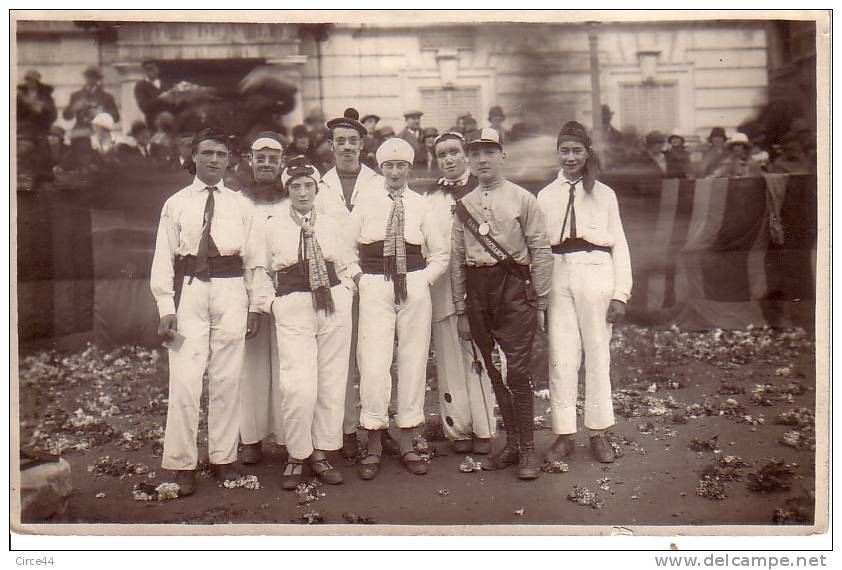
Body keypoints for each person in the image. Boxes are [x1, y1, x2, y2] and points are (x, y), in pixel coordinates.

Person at [150, 127, 257, 496]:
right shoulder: (176, 203)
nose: (214, 160)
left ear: (230, 161)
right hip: (190, 293)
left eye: (221, 154)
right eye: (207, 153)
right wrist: (166, 306)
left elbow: (254, 259)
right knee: (185, 381)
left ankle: (223, 457)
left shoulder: (242, 204)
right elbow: (164, 258)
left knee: (227, 380)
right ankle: (182, 463)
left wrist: (254, 305)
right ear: (193, 157)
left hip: (231, 293)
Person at [248, 156, 357, 489]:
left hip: (332, 304)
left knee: (330, 381)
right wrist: (271, 304)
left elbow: (347, 264)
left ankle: (322, 453)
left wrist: (347, 292)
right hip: (293, 305)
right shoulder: (272, 224)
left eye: (308, 186)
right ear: (287, 190)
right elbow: (261, 270)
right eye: (295, 187)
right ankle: (297, 453)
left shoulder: (331, 223)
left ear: (316, 189)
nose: (302, 192)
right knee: (298, 385)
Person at [450, 128, 553, 480]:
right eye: (475, 153)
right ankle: (511, 444)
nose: (481, 159)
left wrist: (540, 300)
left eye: (488, 152)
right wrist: (462, 308)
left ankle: (528, 450)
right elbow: (458, 257)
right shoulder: (464, 206)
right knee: (494, 370)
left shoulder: (524, 199)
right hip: (479, 292)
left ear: (502, 156)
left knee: (518, 371)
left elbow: (540, 249)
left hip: (513, 288)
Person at [348, 137, 449, 480]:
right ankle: (374, 441)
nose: (394, 172)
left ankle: (407, 438)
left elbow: (440, 253)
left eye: (401, 166)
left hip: (414, 288)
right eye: (389, 166)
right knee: (374, 363)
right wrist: (361, 278)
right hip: (376, 285)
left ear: (409, 168)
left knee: (413, 359)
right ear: (381, 168)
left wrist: (423, 280)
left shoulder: (421, 205)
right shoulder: (365, 202)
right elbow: (346, 250)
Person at [537, 121, 632, 465]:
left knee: (597, 354)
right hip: (558, 275)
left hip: (596, 273)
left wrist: (620, 293)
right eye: (565, 150)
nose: (571, 157)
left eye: (577, 150)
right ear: (558, 153)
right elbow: (539, 249)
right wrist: (540, 294)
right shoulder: (546, 196)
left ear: (587, 152)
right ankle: (564, 433)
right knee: (562, 357)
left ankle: (598, 431)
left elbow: (619, 243)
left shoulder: (604, 194)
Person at [314, 108, 386, 460]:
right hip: (336, 283)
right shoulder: (319, 185)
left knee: (376, 355)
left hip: (373, 278)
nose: (346, 147)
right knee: (338, 358)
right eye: (340, 141)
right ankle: (342, 430)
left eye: (353, 141)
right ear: (330, 146)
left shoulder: (378, 181)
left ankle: (378, 426)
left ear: (362, 145)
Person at [425, 131, 497, 455]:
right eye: (442, 155)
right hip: (442, 287)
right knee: (450, 356)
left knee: (480, 355)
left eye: (454, 152)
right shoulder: (430, 199)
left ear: (465, 155)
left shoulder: (482, 192)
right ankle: (458, 429)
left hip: (477, 283)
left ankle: (484, 427)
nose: (449, 159)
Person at [235, 131, 289, 466]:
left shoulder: (292, 197)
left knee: (287, 364)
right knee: (251, 366)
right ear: (250, 161)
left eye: (273, 159)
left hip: (287, 291)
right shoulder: (238, 200)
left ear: (282, 163)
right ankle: (251, 438)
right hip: (247, 291)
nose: (267, 164)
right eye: (261, 158)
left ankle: (286, 437)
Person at [62, 66, 119, 137]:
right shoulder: (76, 96)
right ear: (85, 78)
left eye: (94, 77)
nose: (90, 79)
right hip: (81, 133)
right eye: (88, 77)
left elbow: (116, 117)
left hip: (101, 133)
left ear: (98, 79)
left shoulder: (107, 97)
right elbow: (66, 117)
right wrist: (74, 108)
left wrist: (102, 112)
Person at [16, 68, 57, 140]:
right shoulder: (19, 96)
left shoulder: (45, 96)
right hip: (23, 129)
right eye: (27, 79)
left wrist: (41, 111)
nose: (29, 82)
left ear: (37, 81)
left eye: (31, 80)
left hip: (40, 128)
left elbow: (53, 114)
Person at [134, 61, 170, 126]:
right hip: (152, 123)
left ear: (158, 70)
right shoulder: (140, 86)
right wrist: (160, 98)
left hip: (168, 122)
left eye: (152, 69)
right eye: (147, 70)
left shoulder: (164, 84)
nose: (150, 72)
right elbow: (144, 107)